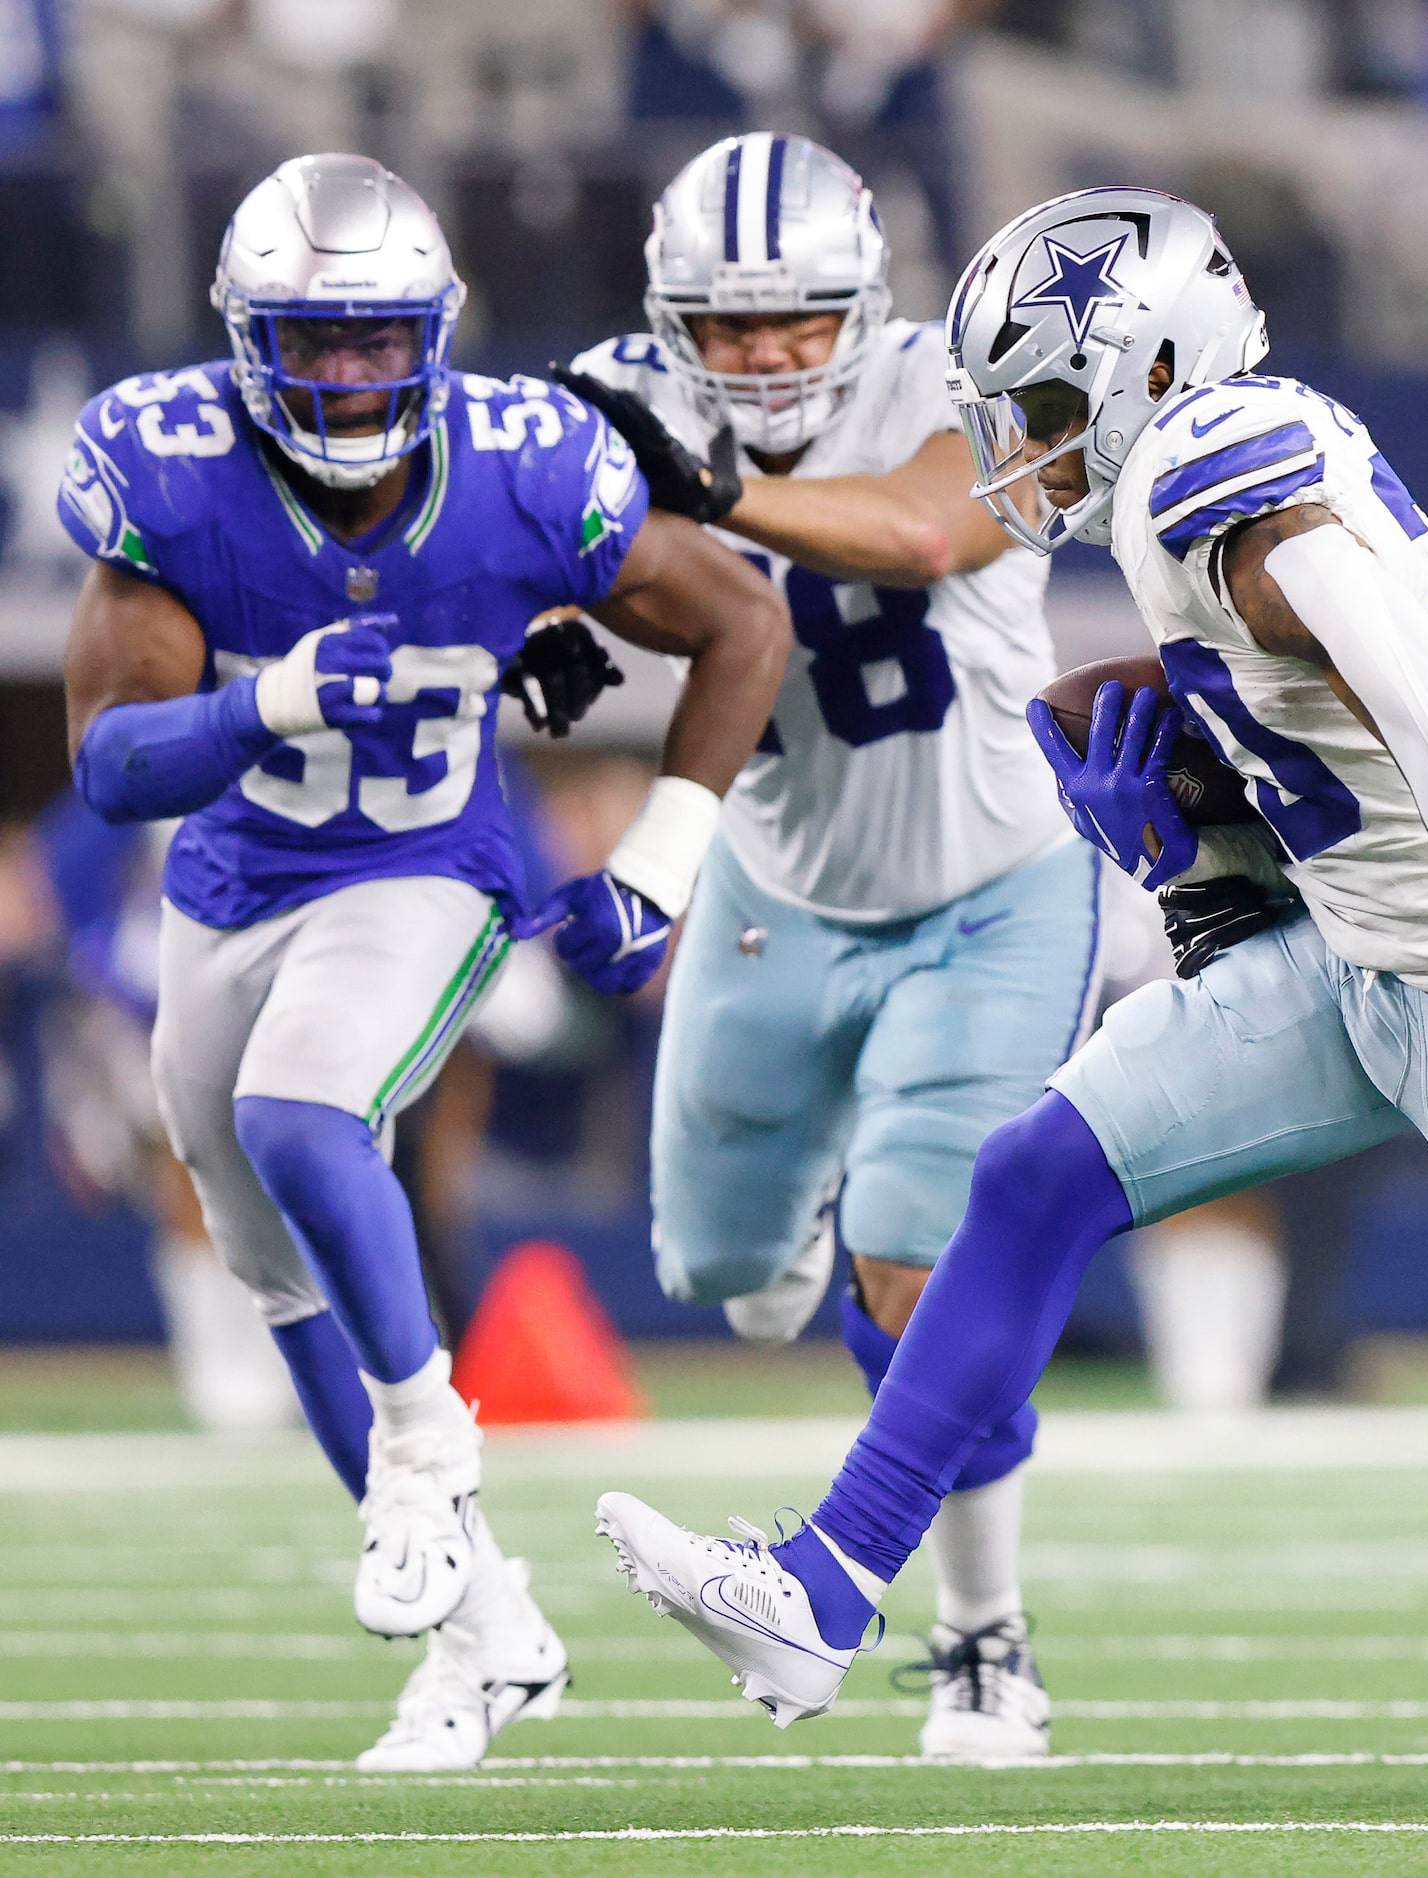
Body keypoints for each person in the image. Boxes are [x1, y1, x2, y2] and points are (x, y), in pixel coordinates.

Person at [589, 185, 1428, 1724]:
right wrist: (1204, 857)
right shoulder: (1190, 471)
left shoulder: (1217, 460)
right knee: (1032, 1177)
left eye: (1054, 404)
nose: (1028, 445)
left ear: (1154, 364)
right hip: (1359, 956)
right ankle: (823, 1586)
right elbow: (1323, 730)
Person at [54, 155, 788, 1770]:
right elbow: (110, 765)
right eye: (316, 343)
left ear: (434, 334)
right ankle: (484, 1639)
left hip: (426, 866)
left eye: (383, 340)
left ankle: (415, 1450)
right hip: (233, 875)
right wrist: (270, 702)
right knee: (272, 1269)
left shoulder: (528, 469)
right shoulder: (173, 470)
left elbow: (741, 621)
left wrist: (658, 860)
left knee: (304, 1114)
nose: (351, 375)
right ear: (250, 343)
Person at [558, 131, 1082, 1763]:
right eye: (729, 327)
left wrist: (704, 488)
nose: (769, 353)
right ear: (669, 320)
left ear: (869, 303)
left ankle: (981, 1632)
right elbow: (527, 556)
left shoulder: (969, 372)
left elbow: (930, 533)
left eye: (801, 319)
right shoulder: (602, 395)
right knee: (713, 1269)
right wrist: (535, 622)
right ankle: (791, 1220)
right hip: (778, 890)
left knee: (919, 1267)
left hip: (992, 886)